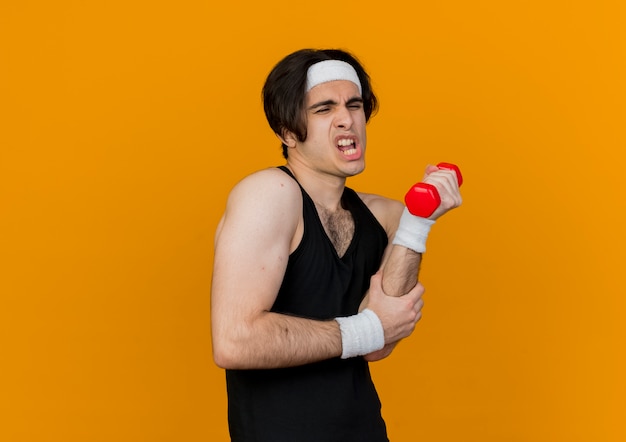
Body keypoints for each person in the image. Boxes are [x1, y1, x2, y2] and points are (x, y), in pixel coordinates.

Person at [211, 48, 462, 442]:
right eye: (324, 109)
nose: (347, 119)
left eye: (355, 104)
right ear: (288, 132)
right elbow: (234, 341)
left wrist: (417, 223)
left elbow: (377, 345)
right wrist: (365, 330)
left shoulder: (385, 215)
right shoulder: (269, 194)